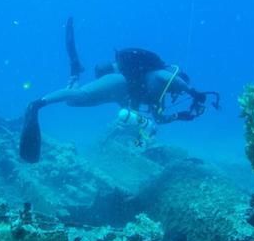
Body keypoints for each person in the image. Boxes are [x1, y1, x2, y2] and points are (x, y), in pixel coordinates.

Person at [19, 17, 220, 162]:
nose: (175, 93)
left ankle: (74, 74)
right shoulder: (162, 77)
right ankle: (38, 104)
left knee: (73, 102)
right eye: (176, 90)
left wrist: (179, 116)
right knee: (80, 96)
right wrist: (193, 92)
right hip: (119, 83)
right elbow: (168, 77)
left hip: (122, 94)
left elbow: (158, 119)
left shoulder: (160, 94)